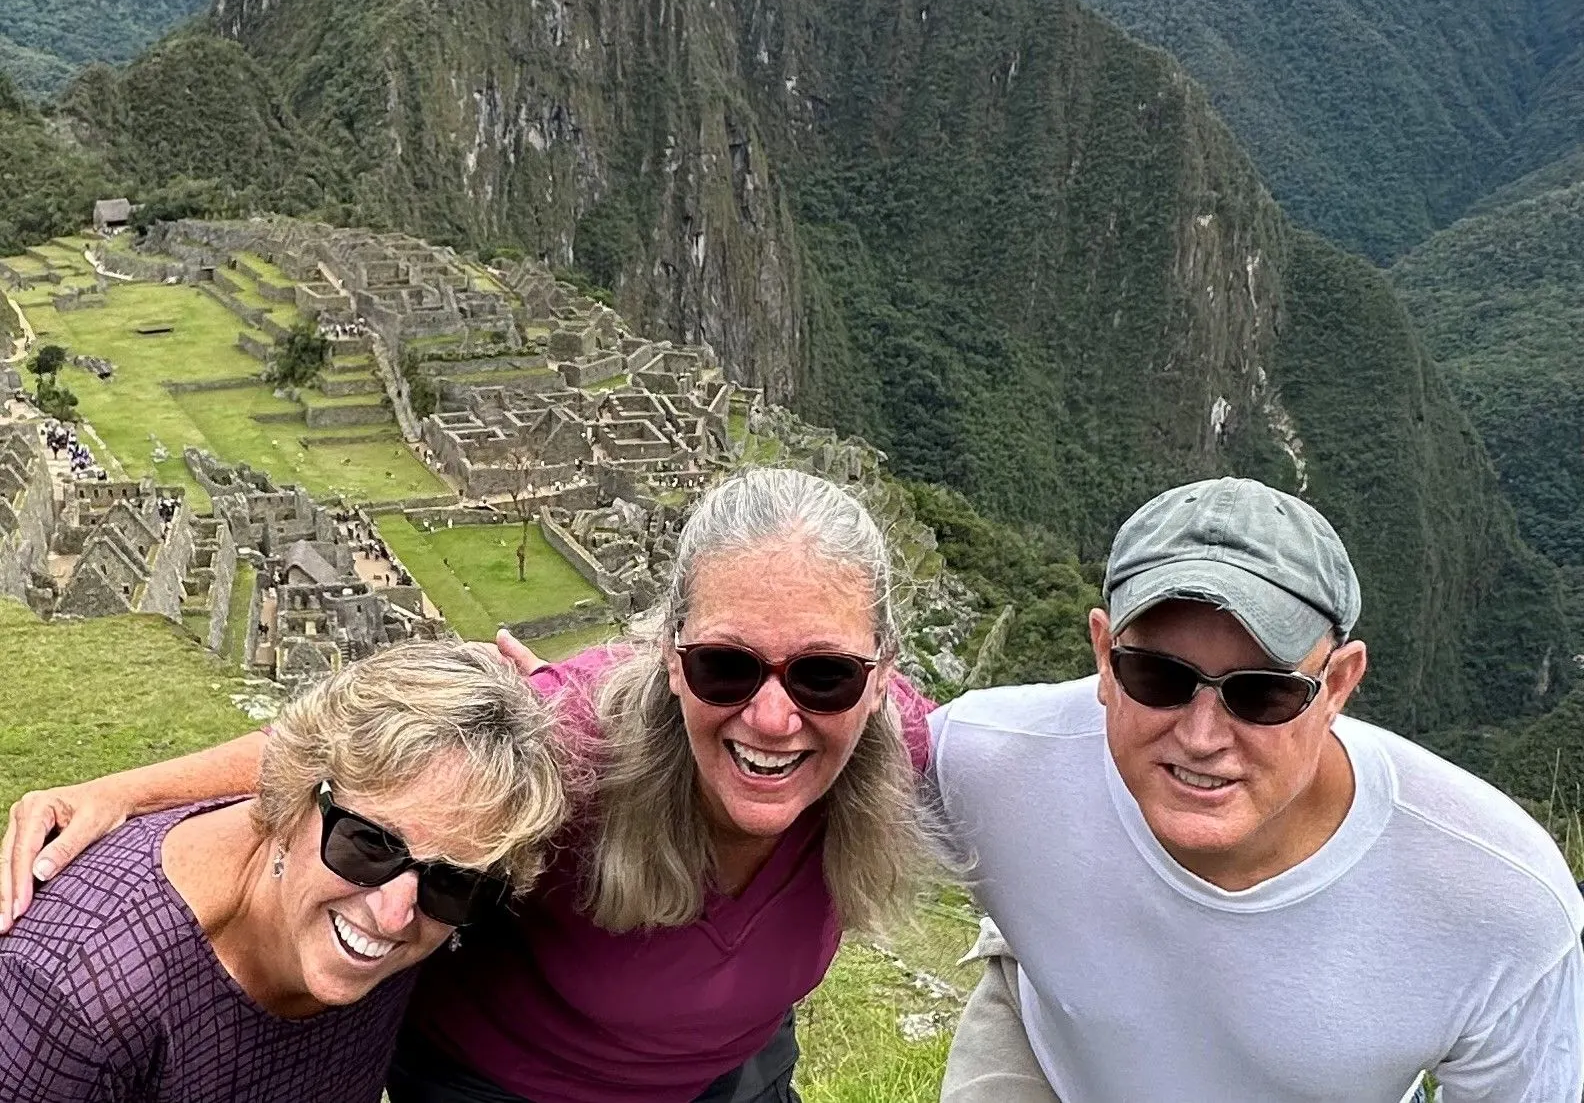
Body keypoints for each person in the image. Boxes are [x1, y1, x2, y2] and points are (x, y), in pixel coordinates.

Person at [2, 468, 934, 1103]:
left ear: (881, 673)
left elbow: (1021, 747)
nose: (773, 716)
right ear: (669, 654)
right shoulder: (579, 739)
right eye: (726, 666)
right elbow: (365, 753)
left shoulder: (903, 741)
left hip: (732, 1072)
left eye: (824, 676)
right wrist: (124, 793)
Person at [932, 475, 1584, 1103]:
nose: (1202, 736)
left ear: (1338, 686)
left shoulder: (1500, 901)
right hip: (1054, 1064)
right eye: (1158, 676)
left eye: (1263, 693)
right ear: (1104, 656)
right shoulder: (988, 758)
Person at [0, 638, 565, 1103]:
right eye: (368, 845)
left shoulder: (420, 881)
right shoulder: (75, 995)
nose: (395, 916)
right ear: (292, 803)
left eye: (453, 881)